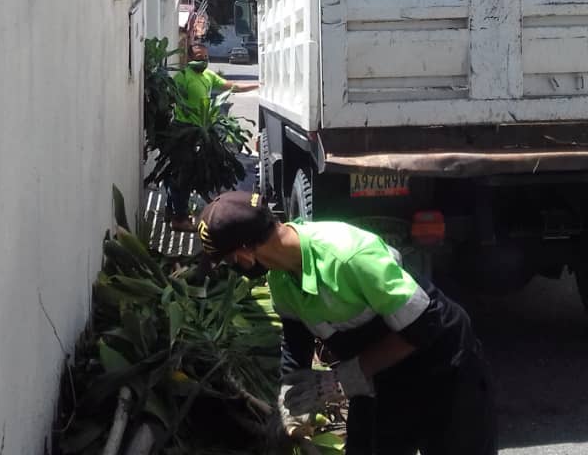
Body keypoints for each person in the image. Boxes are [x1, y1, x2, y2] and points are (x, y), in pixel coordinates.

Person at [196, 191, 497, 454]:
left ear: (245, 254)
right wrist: (289, 401)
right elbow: (295, 342)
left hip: (443, 363)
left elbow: (424, 326)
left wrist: (339, 381)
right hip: (379, 374)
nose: (234, 268)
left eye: (229, 261)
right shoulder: (281, 279)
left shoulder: (348, 256)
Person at [166, 44, 258, 232]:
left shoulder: (208, 76)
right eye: (200, 57)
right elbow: (169, 99)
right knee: (182, 174)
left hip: (201, 131)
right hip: (184, 132)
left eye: (206, 57)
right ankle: (179, 218)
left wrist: (258, 85)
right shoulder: (182, 78)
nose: (204, 60)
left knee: (183, 173)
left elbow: (233, 87)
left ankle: (173, 211)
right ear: (189, 58)